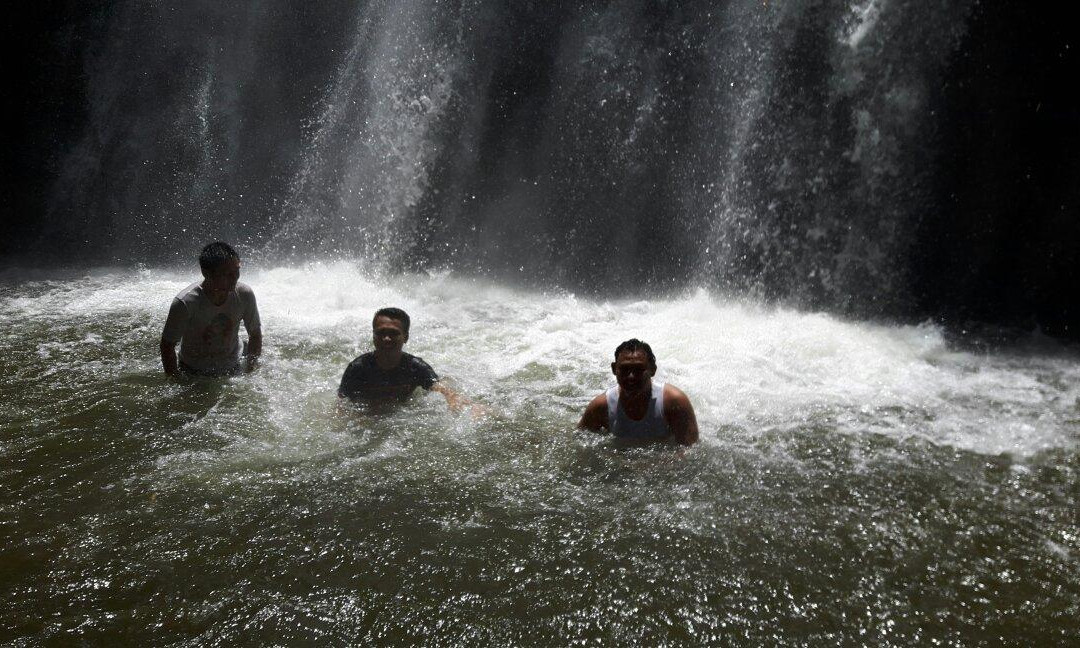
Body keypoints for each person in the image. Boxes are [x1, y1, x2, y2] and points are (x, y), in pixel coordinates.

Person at [338, 307, 475, 413]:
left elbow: (441, 389)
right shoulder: (358, 368)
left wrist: (455, 399)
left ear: (406, 337)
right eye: (381, 333)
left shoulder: (415, 367)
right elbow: (341, 405)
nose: (386, 338)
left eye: (393, 333)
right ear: (373, 336)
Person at [160, 241, 262, 376]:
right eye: (227, 274)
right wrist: (174, 379)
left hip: (234, 364)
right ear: (206, 273)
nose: (234, 278)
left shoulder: (244, 294)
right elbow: (167, 345)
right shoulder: (185, 303)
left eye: (236, 271)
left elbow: (255, 334)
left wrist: (250, 370)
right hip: (193, 369)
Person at [578, 338, 699, 446]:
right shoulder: (600, 407)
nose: (631, 376)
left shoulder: (674, 401)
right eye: (624, 369)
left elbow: (689, 450)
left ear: (653, 369)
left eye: (638, 369)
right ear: (614, 369)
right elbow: (580, 443)